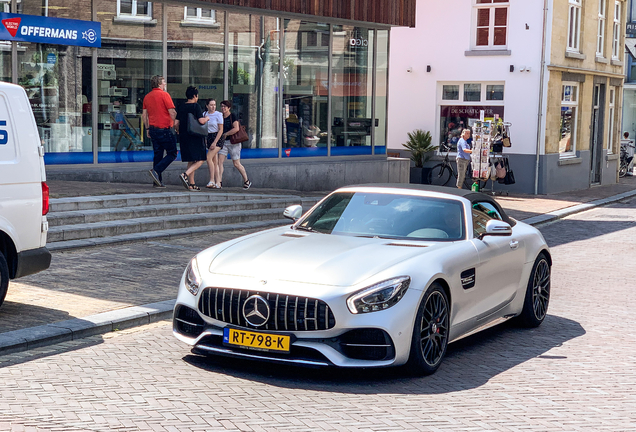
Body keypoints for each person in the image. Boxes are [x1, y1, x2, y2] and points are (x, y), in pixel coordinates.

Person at [143, 75, 177, 188]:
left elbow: (144, 115)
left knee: (158, 154)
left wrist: (147, 128)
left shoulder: (147, 97)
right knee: (172, 153)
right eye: (163, 82)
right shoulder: (164, 95)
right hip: (165, 128)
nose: (165, 84)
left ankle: (157, 181)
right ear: (159, 84)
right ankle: (156, 171)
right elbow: (172, 112)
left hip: (153, 128)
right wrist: (174, 124)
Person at [174, 86, 207, 191]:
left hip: (184, 136)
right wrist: (207, 118)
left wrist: (178, 131)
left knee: (191, 160)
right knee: (201, 159)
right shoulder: (196, 106)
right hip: (195, 136)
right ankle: (185, 175)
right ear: (194, 96)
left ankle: (191, 184)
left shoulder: (181, 106)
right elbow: (201, 121)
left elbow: (176, 122)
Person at [217, 100, 251, 189]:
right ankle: (219, 182)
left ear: (229, 108)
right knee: (219, 162)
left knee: (236, 163)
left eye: (225, 106)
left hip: (234, 142)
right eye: (222, 106)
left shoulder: (233, 116)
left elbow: (236, 129)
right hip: (224, 143)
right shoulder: (220, 117)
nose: (223, 108)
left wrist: (225, 134)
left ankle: (246, 180)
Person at [203, 99, 224, 188]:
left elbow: (221, 129)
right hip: (209, 136)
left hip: (217, 138)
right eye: (211, 105)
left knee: (209, 158)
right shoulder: (204, 114)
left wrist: (215, 142)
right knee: (214, 161)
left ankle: (212, 180)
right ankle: (218, 182)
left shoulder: (218, 115)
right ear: (207, 106)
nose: (213, 107)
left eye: (214, 105)